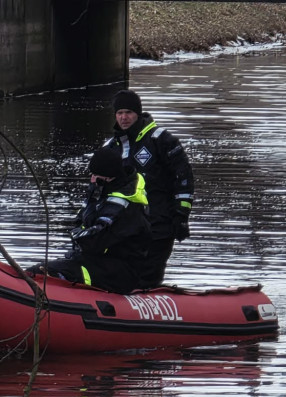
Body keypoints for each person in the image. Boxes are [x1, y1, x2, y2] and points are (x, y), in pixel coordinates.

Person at [102, 89, 195, 288]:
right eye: (119, 113)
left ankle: (152, 309)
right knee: (123, 277)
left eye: (128, 112)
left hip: (159, 226)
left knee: (149, 278)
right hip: (124, 230)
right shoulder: (110, 147)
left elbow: (183, 177)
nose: (124, 117)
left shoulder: (161, 140)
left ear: (138, 113)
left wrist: (181, 215)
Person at [28, 148, 151, 294]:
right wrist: (79, 234)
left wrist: (78, 235)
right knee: (36, 271)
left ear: (109, 176)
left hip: (117, 272)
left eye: (96, 175)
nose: (92, 179)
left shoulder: (124, 206)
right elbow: (81, 223)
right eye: (91, 174)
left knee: (49, 272)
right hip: (94, 262)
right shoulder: (101, 193)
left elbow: (95, 241)